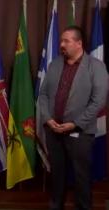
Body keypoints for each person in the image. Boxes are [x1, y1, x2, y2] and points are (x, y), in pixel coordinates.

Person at [39, 25, 108, 210]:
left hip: (80, 134)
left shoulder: (96, 67)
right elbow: (43, 95)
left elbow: (98, 101)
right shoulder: (54, 65)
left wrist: (75, 124)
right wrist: (47, 119)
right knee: (57, 177)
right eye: (61, 40)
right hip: (53, 131)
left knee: (81, 178)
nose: (62, 44)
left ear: (79, 43)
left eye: (66, 41)